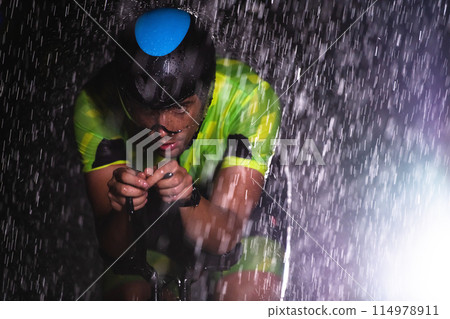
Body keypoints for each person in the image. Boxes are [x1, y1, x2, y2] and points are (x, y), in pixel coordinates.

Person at [74, 7, 284, 300]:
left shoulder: (249, 98)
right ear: (124, 100)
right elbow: (116, 252)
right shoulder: (94, 105)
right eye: (148, 109)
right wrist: (123, 208)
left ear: (207, 94)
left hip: (238, 221)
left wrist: (189, 199)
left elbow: (226, 238)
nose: (165, 127)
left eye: (181, 106)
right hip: (152, 223)